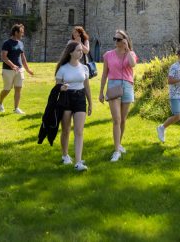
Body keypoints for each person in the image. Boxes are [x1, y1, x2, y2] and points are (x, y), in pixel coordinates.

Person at [99, 29, 137, 162]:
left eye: (119, 39)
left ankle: (118, 144)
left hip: (127, 85)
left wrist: (127, 50)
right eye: (114, 39)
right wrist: (101, 92)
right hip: (113, 85)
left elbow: (132, 65)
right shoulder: (108, 55)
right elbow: (104, 74)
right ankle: (116, 151)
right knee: (116, 119)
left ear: (125, 40)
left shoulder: (130, 53)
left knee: (123, 120)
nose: (116, 41)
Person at [55, 41, 92, 171]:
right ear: (71, 52)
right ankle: (65, 155)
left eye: (81, 50)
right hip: (66, 99)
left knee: (79, 131)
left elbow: (87, 87)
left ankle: (78, 162)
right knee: (65, 130)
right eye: (78, 50)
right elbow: (56, 88)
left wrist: (90, 103)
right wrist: (61, 88)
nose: (80, 52)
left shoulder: (85, 68)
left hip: (80, 98)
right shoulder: (62, 69)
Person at [156, 47, 180, 147]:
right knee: (178, 116)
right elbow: (169, 81)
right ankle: (162, 127)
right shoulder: (174, 67)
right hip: (175, 95)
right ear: (179, 56)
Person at [0, 24, 34, 114]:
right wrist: (12, 65)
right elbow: (4, 57)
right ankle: (0, 102)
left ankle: (16, 108)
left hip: (19, 70)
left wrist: (28, 69)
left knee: (18, 88)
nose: (22, 34)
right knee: (7, 89)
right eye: (21, 32)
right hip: (8, 70)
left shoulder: (21, 43)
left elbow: (23, 57)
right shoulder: (7, 43)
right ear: (16, 32)